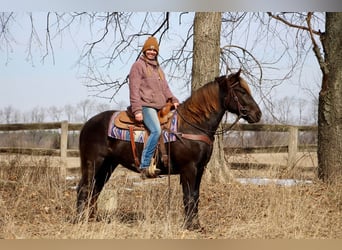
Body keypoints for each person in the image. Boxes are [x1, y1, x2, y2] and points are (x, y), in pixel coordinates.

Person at [129, 36, 179, 178]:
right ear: (144, 50)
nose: (151, 52)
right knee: (156, 130)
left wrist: (173, 99)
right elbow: (134, 88)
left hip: (161, 106)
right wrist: (137, 110)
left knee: (173, 128)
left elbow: (165, 88)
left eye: (154, 50)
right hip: (146, 106)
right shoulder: (138, 66)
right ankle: (144, 165)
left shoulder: (158, 69)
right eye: (149, 49)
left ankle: (163, 162)